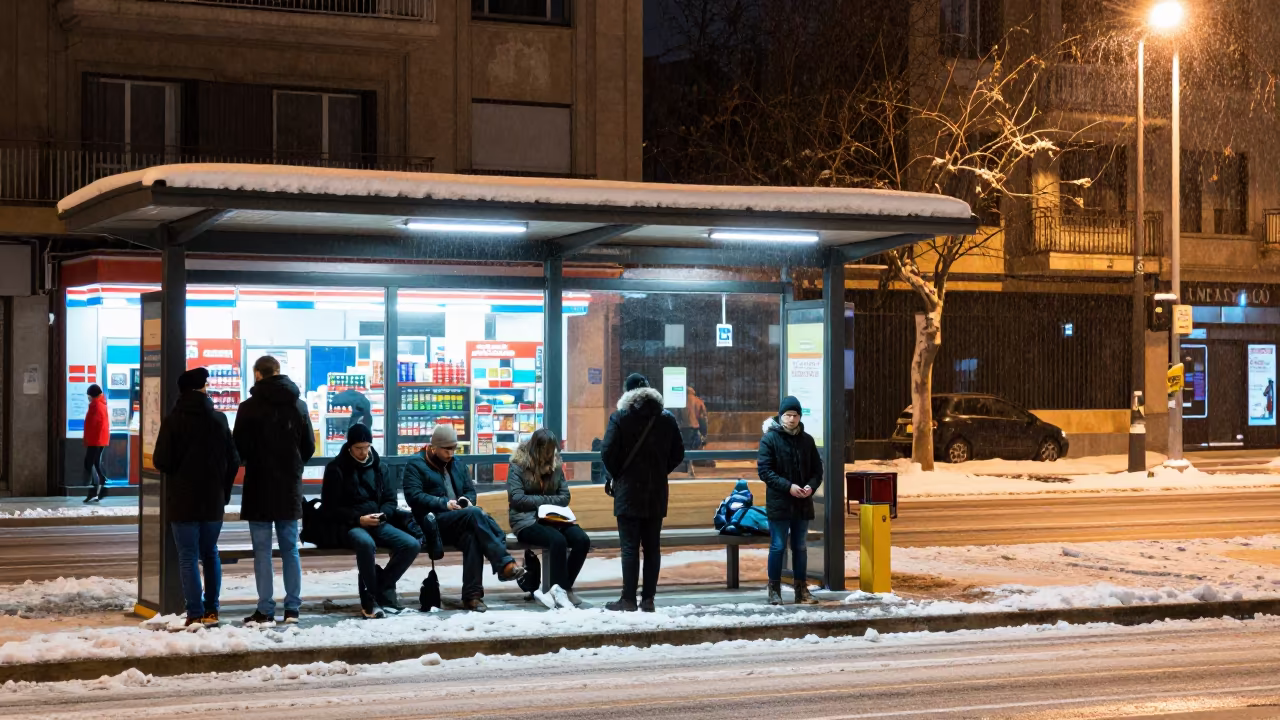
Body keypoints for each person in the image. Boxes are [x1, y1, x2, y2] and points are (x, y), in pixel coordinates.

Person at [403, 424, 525, 612]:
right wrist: (443, 503)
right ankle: (504, 563)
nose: (451, 453)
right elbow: (414, 497)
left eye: (453, 448)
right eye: (446, 449)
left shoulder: (458, 464)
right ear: (433, 447)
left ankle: (472, 597)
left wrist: (466, 501)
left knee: (473, 536)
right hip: (434, 522)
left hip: (461, 519)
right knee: (476, 514)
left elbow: (470, 491)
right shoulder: (415, 465)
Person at [152, 368, 240, 627]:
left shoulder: (172, 421)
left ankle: (194, 612)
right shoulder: (219, 420)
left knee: (188, 555)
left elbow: (161, 461)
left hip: (182, 500)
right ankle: (212, 609)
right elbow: (234, 460)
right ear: (201, 389)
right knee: (210, 552)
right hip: (212, 499)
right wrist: (223, 491)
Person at [233, 355, 315, 626]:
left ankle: (265, 608)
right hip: (288, 486)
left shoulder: (248, 408)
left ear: (258, 374)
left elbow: (239, 448)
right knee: (290, 548)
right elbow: (309, 448)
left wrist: (256, 461)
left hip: (259, 485)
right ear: (279, 372)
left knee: (262, 551)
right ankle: (292, 608)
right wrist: (293, 465)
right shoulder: (299, 405)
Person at [600, 373, 684, 612]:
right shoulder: (666, 419)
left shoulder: (620, 417)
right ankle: (648, 599)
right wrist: (660, 470)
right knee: (652, 547)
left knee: (629, 547)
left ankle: (628, 599)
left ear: (627, 393)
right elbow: (678, 453)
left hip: (628, 492)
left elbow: (607, 452)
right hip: (656, 491)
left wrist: (618, 474)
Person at [321, 423, 419, 619]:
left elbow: (391, 500)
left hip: (377, 521)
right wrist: (358, 519)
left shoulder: (380, 467)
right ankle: (370, 601)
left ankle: (379, 586)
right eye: (358, 448)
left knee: (411, 545)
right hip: (350, 525)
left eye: (366, 447)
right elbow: (329, 509)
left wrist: (383, 514)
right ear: (349, 447)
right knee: (365, 543)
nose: (363, 452)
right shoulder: (336, 469)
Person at [508, 428, 591, 609]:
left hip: (555, 518)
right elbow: (517, 499)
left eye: (551, 452)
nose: (548, 457)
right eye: (544, 452)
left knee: (582, 540)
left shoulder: (556, 466)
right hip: (525, 520)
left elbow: (565, 496)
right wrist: (545, 503)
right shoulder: (518, 466)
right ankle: (561, 592)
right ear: (534, 449)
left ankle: (562, 588)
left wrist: (542, 503)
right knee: (557, 540)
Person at [757, 395, 823, 606]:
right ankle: (774, 589)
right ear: (781, 415)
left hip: (802, 503)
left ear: (799, 416)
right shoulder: (770, 439)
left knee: (800, 547)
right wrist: (789, 487)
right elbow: (765, 471)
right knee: (777, 546)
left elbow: (817, 470)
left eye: (795, 415)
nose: (791, 419)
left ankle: (801, 590)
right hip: (780, 503)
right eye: (787, 415)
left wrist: (810, 487)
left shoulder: (807, 440)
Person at [82, 384, 110, 503]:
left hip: (96, 441)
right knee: (94, 463)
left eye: (89, 396)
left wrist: (94, 441)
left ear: (93, 395)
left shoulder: (97, 406)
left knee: (90, 464)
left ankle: (98, 489)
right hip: (96, 440)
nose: (88, 398)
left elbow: (97, 426)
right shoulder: (98, 405)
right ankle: (97, 490)